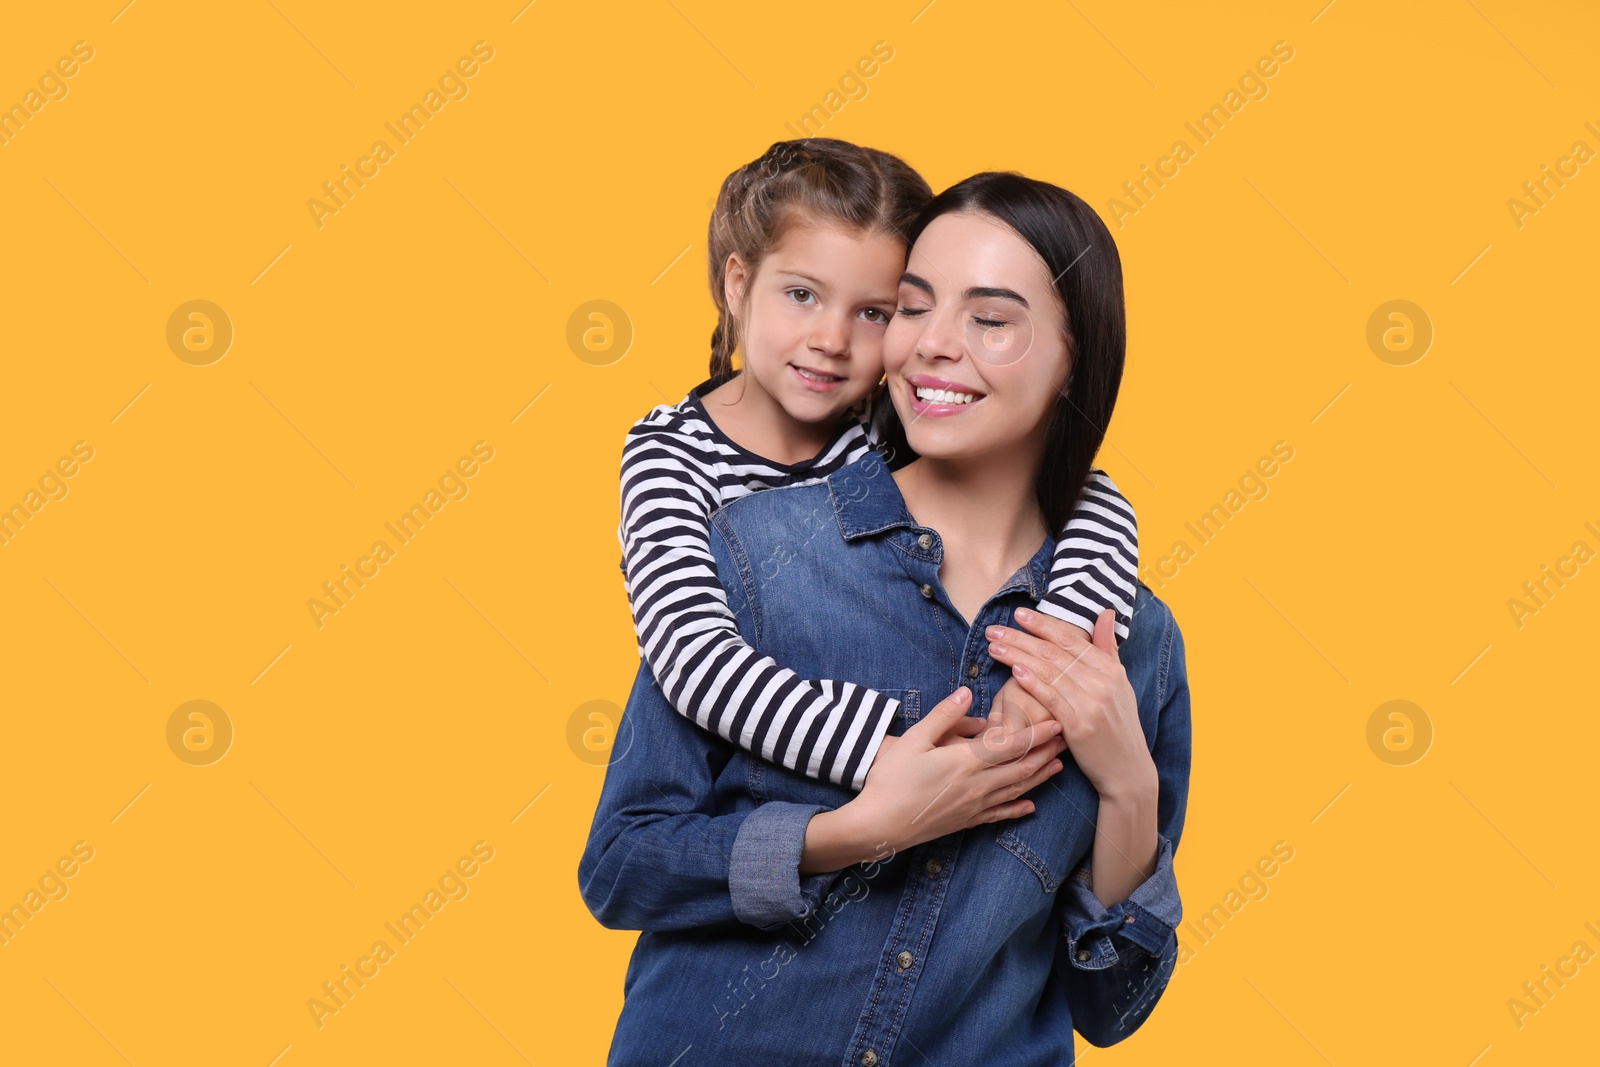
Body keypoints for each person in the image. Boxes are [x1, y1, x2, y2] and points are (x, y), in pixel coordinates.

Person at [580, 171, 1193, 1063]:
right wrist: (857, 829)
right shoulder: (749, 550)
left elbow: (1110, 1007)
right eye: (912, 307)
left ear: (1075, 357)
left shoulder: (1133, 642)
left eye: (990, 320)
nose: (933, 345)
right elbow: (623, 869)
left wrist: (1129, 788)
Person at [619, 138, 1141, 793]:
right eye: (803, 295)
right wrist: (877, 750)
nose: (832, 340)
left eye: (875, 312)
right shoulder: (670, 456)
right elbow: (693, 658)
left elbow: (1093, 500)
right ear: (738, 284)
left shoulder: (890, 419)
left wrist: (1059, 652)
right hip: (765, 772)